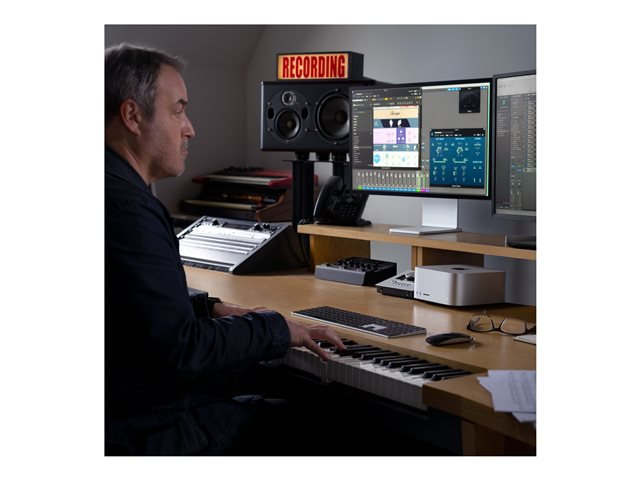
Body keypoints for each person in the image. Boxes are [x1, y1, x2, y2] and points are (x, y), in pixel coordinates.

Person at [105, 43, 345, 455]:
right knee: (327, 422)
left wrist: (212, 308)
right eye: (178, 110)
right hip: (146, 430)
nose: (190, 128)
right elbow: (182, 348)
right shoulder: (128, 209)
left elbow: (136, 307)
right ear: (132, 116)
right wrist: (277, 327)